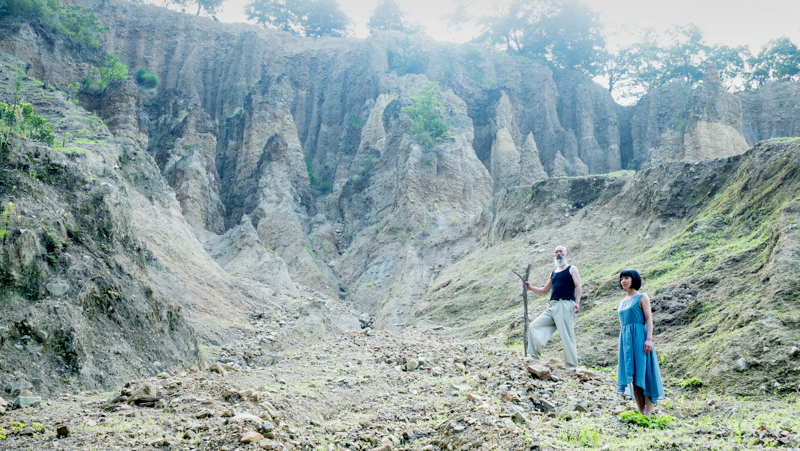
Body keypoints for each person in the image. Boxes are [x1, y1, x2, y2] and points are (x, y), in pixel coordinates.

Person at [524, 246, 582, 369]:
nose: (558, 253)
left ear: (566, 254)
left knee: (566, 334)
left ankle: (571, 366)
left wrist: (577, 303)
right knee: (534, 326)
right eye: (556, 252)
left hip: (565, 304)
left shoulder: (571, 269)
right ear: (554, 256)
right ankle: (534, 356)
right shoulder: (553, 273)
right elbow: (545, 290)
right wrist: (531, 288)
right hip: (553, 306)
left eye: (561, 251)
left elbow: (578, 286)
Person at [617, 269, 664, 416]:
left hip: (640, 337)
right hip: (625, 340)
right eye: (621, 279)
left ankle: (648, 413)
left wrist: (649, 339)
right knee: (633, 377)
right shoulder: (621, 302)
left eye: (626, 278)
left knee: (645, 373)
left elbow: (649, 319)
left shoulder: (642, 297)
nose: (623, 281)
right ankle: (641, 412)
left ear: (634, 280)